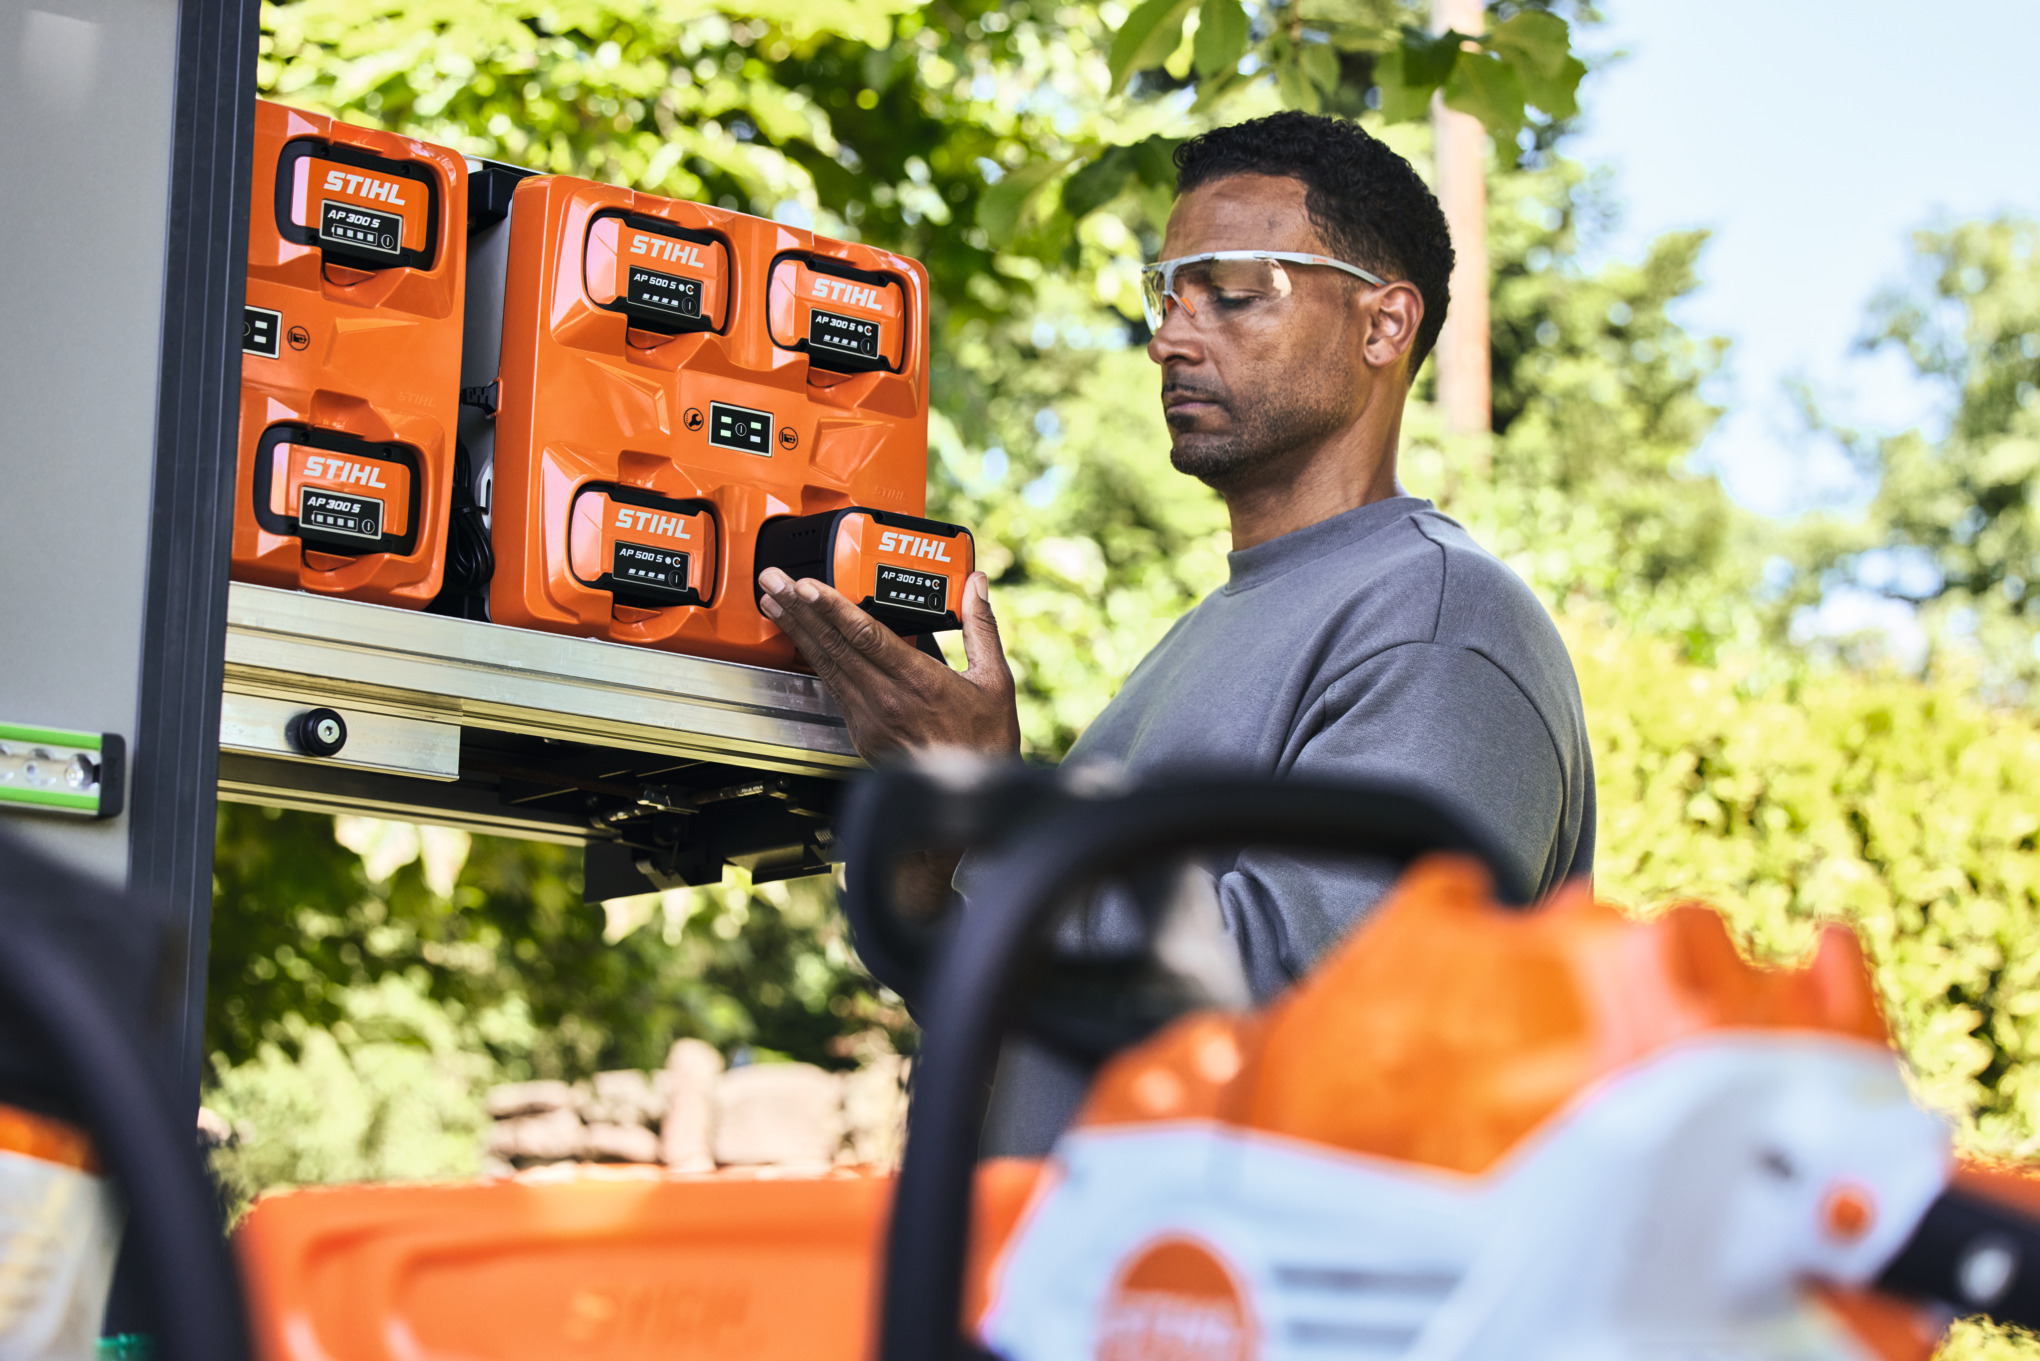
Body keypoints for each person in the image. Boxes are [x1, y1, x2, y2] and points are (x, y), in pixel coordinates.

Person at [756, 111, 1596, 1153]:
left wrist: (996, 798)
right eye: (1166, 295)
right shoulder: (1201, 635)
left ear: (1385, 325)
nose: (1169, 338)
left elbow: (1313, 1014)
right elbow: (1018, 999)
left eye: (1233, 292)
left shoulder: (1438, 620)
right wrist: (931, 824)